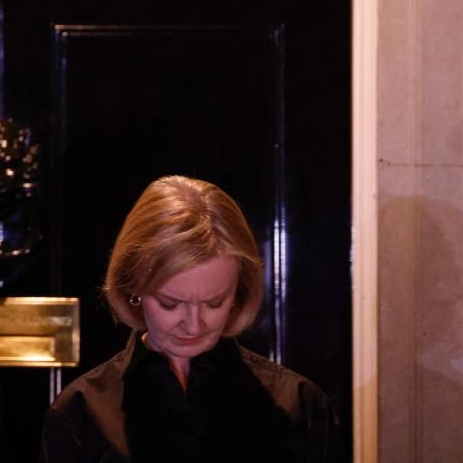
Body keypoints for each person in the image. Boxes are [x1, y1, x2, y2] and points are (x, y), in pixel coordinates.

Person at [40, 176, 343, 462]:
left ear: (239, 292)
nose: (194, 325)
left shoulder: (300, 405)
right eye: (170, 303)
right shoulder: (81, 411)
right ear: (133, 287)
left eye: (214, 302)